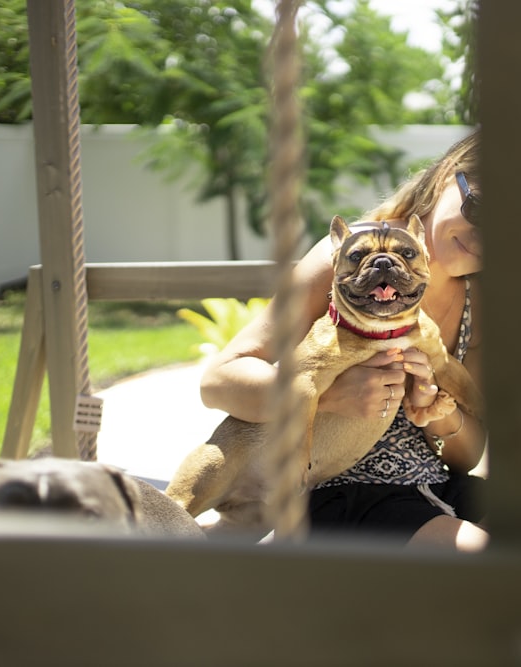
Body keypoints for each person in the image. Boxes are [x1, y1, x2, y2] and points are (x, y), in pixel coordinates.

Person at [198, 130, 487, 552]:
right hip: (337, 496)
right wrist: (328, 394)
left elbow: (468, 456)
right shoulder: (352, 259)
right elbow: (219, 381)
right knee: (495, 564)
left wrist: (439, 417)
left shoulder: (478, 301)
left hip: (439, 486)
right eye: (479, 208)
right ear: (448, 175)